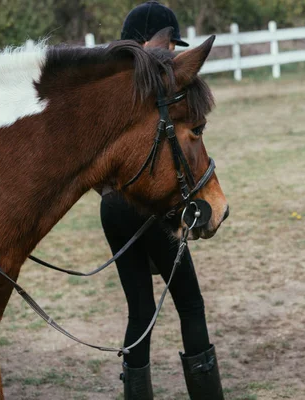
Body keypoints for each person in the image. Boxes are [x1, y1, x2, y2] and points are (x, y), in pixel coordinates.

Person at [100, 2, 224, 399]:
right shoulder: (154, 89)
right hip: (144, 205)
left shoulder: (113, 88)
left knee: (140, 310)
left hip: (112, 206)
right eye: (169, 44)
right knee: (190, 303)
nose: (173, 53)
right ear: (142, 44)